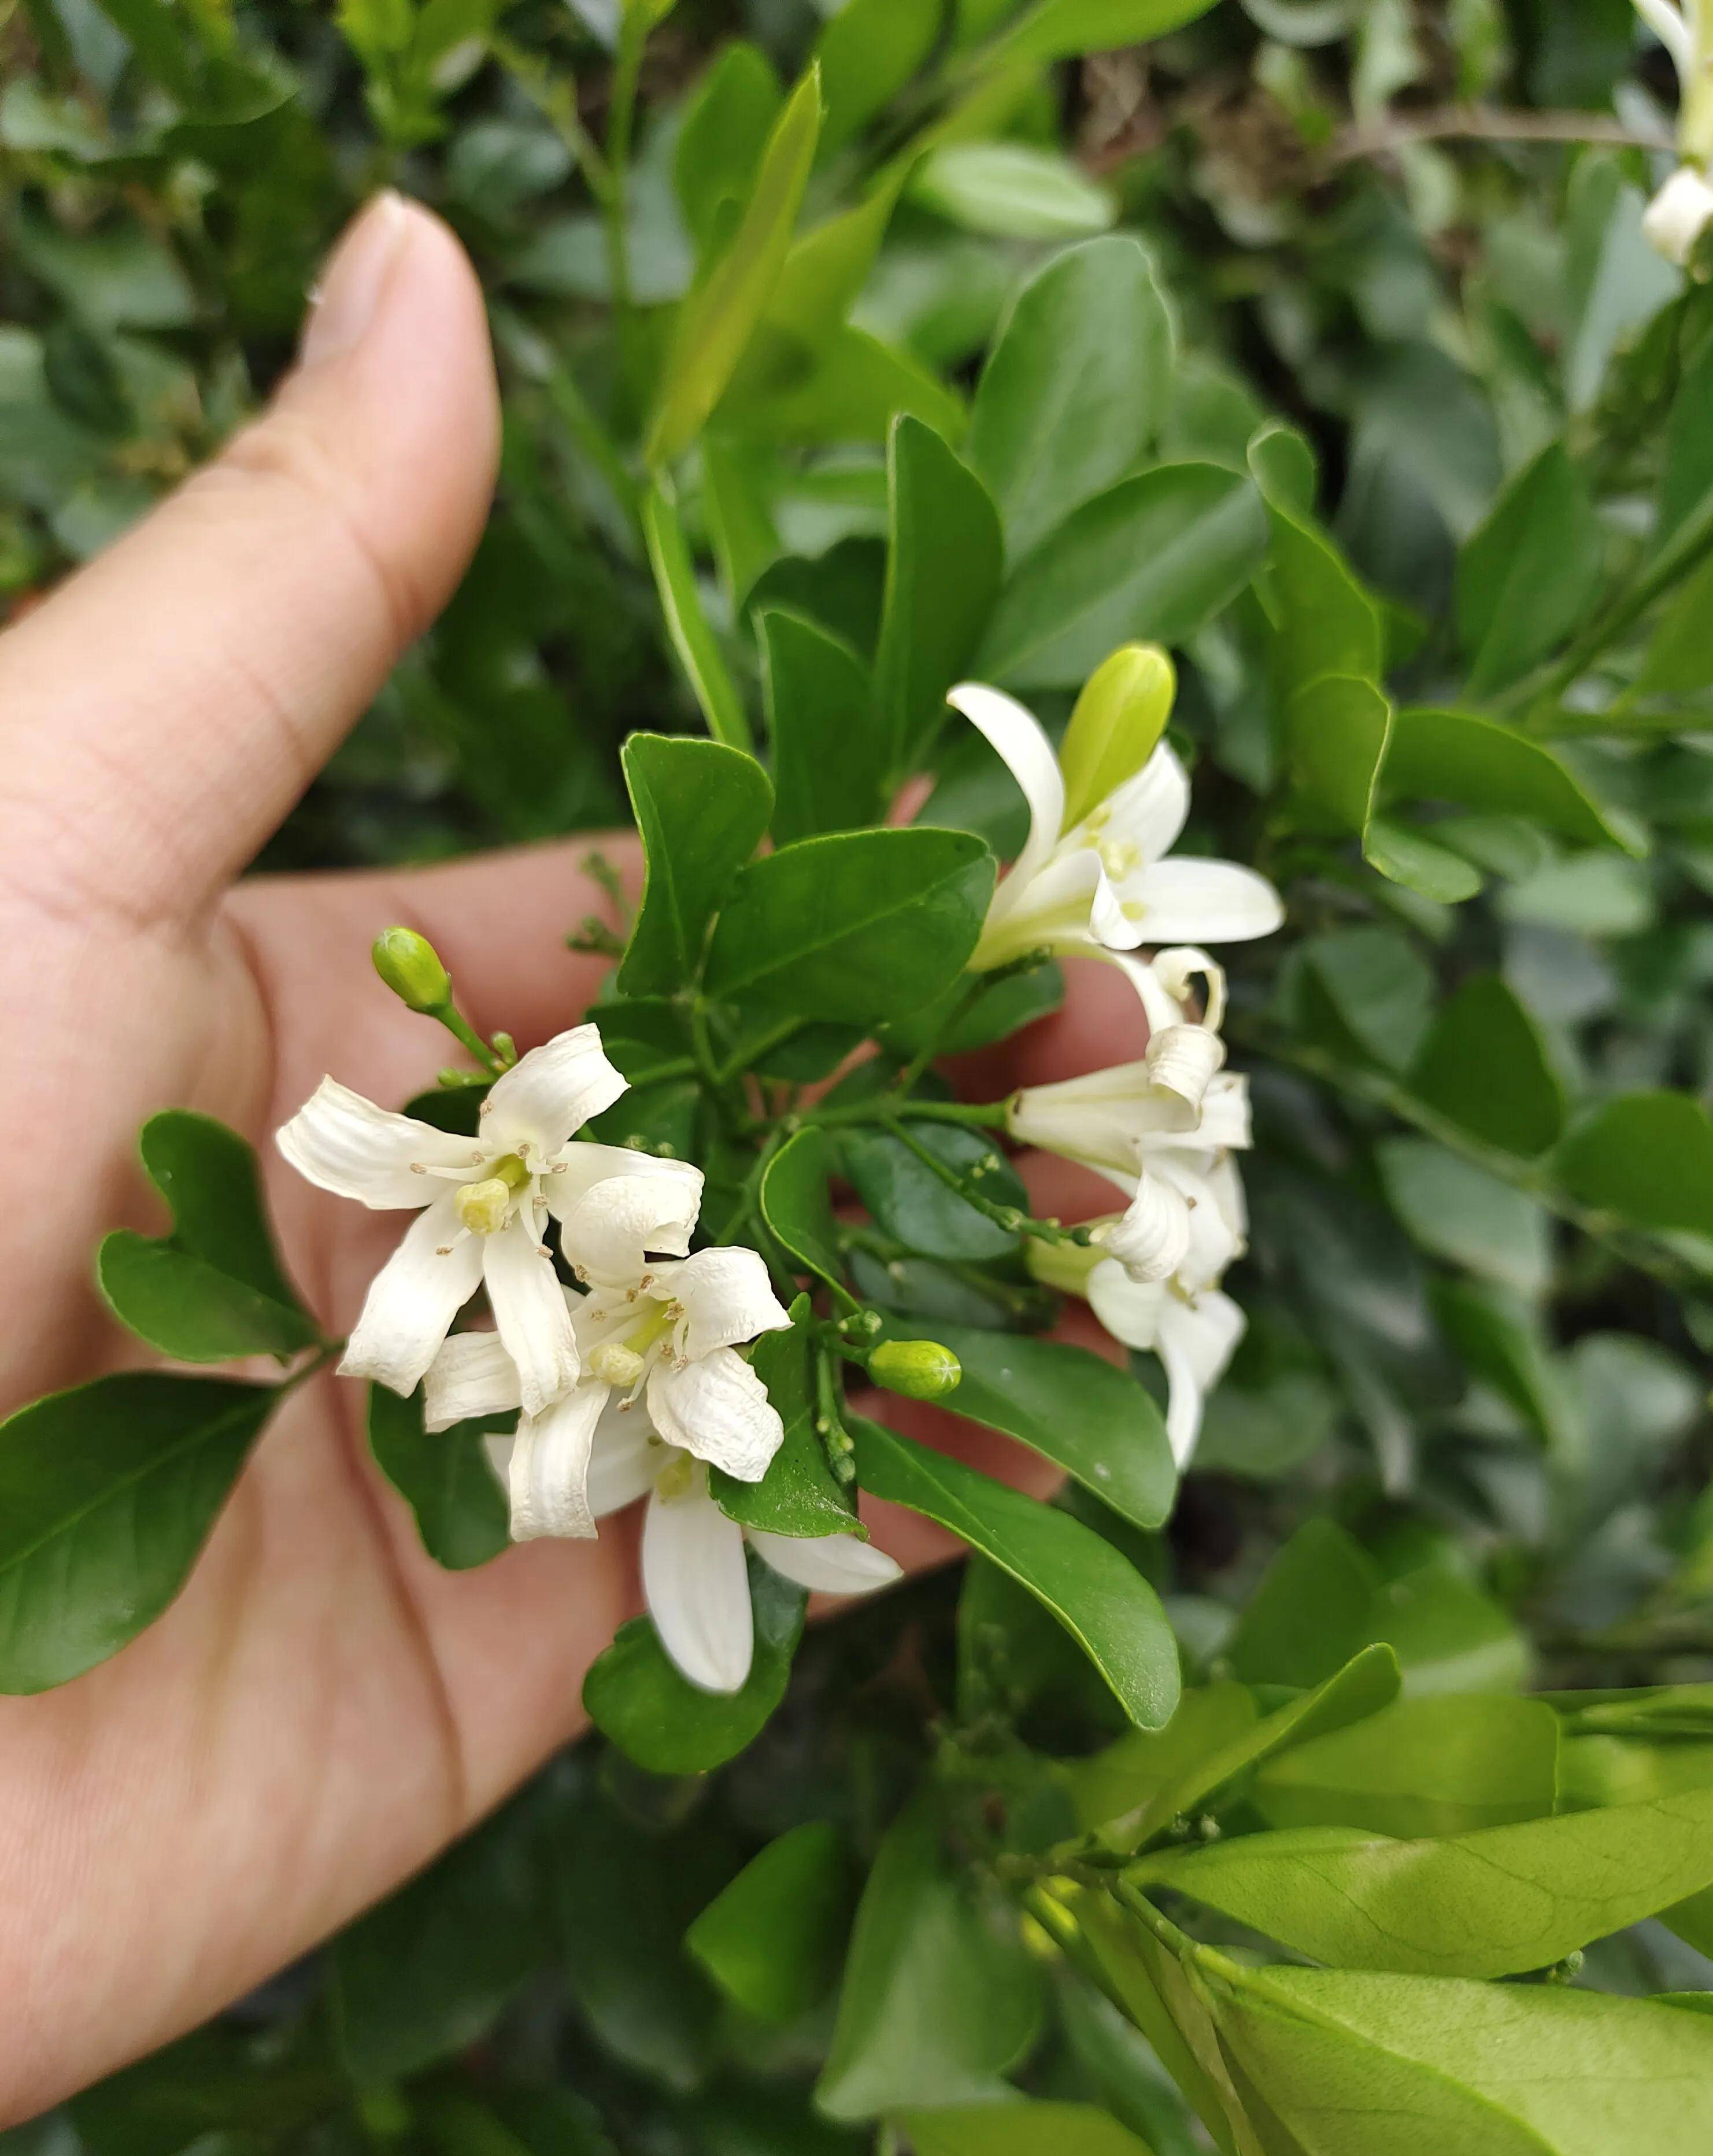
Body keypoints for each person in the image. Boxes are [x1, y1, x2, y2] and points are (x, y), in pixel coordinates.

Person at [0, 196, 1139, 2124]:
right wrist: (570, 1229)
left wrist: (652, 1328)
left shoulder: (655, 1321)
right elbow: (574, 1238)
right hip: (593, 1263)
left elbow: (655, 1304)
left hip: (629, 1292)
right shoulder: (552, 1209)